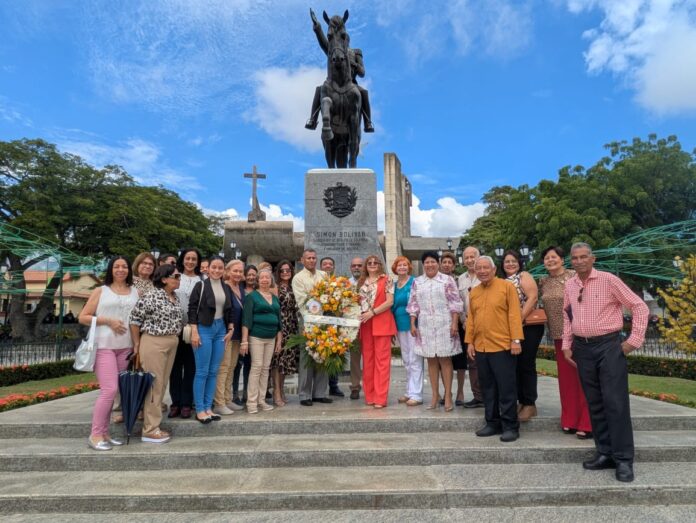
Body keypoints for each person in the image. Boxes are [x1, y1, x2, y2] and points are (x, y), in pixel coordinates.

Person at [562, 242, 649, 483]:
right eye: (574, 258)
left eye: (583, 257)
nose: (578, 261)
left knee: (615, 403)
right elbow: (566, 316)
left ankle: (623, 459)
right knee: (596, 403)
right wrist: (567, 344)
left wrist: (634, 340)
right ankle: (605, 452)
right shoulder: (570, 285)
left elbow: (639, 306)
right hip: (583, 348)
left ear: (593, 258)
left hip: (609, 346)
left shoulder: (609, 280)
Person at [79, 256, 139, 451]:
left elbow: (135, 321)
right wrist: (108, 321)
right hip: (104, 345)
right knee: (109, 390)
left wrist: (136, 345)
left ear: (129, 270)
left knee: (116, 391)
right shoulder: (101, 291)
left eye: (124, 267)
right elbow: (83, 317)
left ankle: (105, 433)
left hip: (125, 346)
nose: (121, 270)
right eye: (116, 266)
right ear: (111, 270)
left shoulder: (135, 292)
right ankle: (95, 434)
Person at [466, 256, 524, 443]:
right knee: (488, 388)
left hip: (503, 346)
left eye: (486, 268)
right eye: (478, 268)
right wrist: (470, 342)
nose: (482, 271)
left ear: (493, 270)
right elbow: (471, 319)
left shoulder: (507, 287)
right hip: (481, 347)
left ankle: (510, 426)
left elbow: (515, 314)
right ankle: (492, 422)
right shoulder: (474, 292)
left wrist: (516, 340)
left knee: (506, 388)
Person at [539, 246, 592, 439]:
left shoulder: (574, 276)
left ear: (562, 259)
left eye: (554, 257)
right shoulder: (543, 281)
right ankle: (569, 419)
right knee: (566, 380)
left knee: (584, 378)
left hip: (578, 334)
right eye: (546, 258)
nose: (550, 260)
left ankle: (587, 422)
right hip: (558, 336)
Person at [129, 264, 184, 444]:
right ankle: (150, 429)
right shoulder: (152, 295)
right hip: (154, 341)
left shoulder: (174, 297)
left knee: (162, 384)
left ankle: (154, 424)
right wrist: (137, 344)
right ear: (164, 279)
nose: (178, 279)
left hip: (171, 341)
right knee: (154, 385)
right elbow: (135, 319)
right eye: (175, 276)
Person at [406, 251, 463, 412]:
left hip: (444, 324)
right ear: (423, 265)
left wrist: (454, 323)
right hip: (425, 326)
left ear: (437, 263)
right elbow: (413, 304)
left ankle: (448, 395)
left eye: (432, 262)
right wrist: (412, 323)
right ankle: (434, 395)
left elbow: (455, 303)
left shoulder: (447, 280)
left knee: (445, 360)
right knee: (431, 360)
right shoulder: (418, 282)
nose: (429, 265)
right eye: (427, 263)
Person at [306, 8, 374, 133]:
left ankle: (368, 121)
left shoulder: (355, 52)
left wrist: (352, 63)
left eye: (344, 38)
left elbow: (362, 73)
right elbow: (323, 42)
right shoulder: (333, 50)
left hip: (351, 84)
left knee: (363, 92)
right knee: (319, 89)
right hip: (334, 83)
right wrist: (318, 28)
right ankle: (312, 119)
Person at [188, 256, 235, 423]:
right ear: (208, 269)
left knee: (214, 371)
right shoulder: (200, 286)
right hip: (204, 329)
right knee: (202, 371)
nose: (216, 270)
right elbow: (192, 309)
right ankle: (200, 409)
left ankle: (209, 407)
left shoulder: (225, 287)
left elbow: (229, 310)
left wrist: (231, 327)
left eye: (220, 268)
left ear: (224, 270)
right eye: (213, 267)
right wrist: (194, 331)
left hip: (220, 330)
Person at [501, 250, 545, 422]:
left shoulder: (523, 276)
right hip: (510, 329)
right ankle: (521, 400)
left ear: (519, 263)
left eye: (513, 261)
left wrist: (518, 321)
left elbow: (532, 297)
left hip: (528, 326)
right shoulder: (502, 281)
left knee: (526, 364)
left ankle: (529, 403)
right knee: (515, 365)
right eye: (507, 262)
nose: (510, 264)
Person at [292, 249, 332, 406]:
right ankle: (304, 394)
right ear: (302, 260)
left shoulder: (324, 275)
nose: (311, 260)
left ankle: (320, 393)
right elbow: (302, 300)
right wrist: (318, 302)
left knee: (324, 353)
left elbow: (330, 294)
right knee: (307, 357)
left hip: (325, 320)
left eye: (314, 258)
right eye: (308, 258)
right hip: (308, 321)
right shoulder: (298, 278)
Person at [241, 267, 282, 414]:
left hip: (271, 338)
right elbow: (246, 320)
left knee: (266, 369)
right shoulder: (252, 297)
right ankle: (252, 402)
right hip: (256, 336)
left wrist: (279, 340)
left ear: (271, 280)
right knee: (257, 367)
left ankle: (261, 400)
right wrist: (244, 341)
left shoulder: (275, 298)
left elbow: (279, 321)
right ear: (258, 280)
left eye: (267, 277)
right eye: (262, 277)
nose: (265, 280)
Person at [357, 255, 396, 408]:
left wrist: (372, 312)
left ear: (380, 265)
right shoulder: (361, 282)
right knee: (368, 362)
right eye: (369, 263)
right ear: (365, 266)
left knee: (382, 362)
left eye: (376, 262)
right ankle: (370, 395)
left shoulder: (387, 280)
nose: (372, 265)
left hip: (382, 323)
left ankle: (380, 398)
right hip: (365, 325)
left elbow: (389, 302)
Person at [168, 248, 202, 419]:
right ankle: (175, 402)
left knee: (190, 367)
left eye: (194, 259)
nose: (190, 261)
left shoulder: (202, 280)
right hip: (174, 328)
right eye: (187, 258)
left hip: (193, 328)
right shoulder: (175, 276)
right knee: (174, 367)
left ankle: (187, 403)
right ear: (183, 260)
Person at [214, 259, 246, 413]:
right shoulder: (224, 286)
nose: (238, 274)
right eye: (235, 271)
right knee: (223, 367)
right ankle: (219, 402)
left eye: (240, 271)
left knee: (232, 367)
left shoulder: (240, 287)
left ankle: (228, 399)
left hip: (238, 333)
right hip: (226, 332)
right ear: (227, 271)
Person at [391, 256, 422, 406]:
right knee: (406, 360)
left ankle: (417, 394)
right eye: (399, 265)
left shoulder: (414, 282)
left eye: (404, 265)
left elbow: (417, 303)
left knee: (415, 359)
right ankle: (409, 391)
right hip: (399, 325)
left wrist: (414, 323)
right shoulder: (395, 285)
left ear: (409, 267)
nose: (402, 267)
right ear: (395, 269)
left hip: (413, 325)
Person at [457, 246, 484, 409]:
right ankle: (478, 396)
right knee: (472, 360)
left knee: (488, 360)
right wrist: (463, 320)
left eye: (472, 256)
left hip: (486, 324)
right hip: (468, 324)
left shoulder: (484, 274)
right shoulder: (461, 278)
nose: (469, 260)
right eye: (466, 257)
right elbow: (459, 303)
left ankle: (490, 394)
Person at [271, 260, 299, 407]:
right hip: (280, 325)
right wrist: (278, 331)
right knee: (278, 361)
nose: (285, 273)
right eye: (282, 271)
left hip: (292, 325)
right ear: (278, 272)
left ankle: (281, 390)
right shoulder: (274, 287)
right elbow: (274, 308)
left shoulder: (293, 286)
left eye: (288, 270)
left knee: (286, 362)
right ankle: (276, 391)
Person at [439, 252, 466, 406]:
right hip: (442, 324)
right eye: (444, 262)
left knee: (460, 361)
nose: (447, 264)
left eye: (450, 262)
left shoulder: (459, 280)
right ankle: (446, 391)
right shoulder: (437, 280)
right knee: (444, 359)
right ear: (441, 264)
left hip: (459, 323)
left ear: (454, 265)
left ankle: (460, 391)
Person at [232, 264, 257, 405]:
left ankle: (247, 394)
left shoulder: (258, 292)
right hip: (239, 332)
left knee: (250, 365)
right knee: (237, 365)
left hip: (254, 333)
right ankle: (235, 394)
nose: (251, 277)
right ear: (244, 276)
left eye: (254, 274)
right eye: (249, 274)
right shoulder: (239, 291)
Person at [347, 256, 364, 399]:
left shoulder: (370, 283)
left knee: (371, 358)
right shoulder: (346, 284)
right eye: (354, 266)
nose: (357, 268)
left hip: (369, 325)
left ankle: (372, 385)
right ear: (350, 268)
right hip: (353, 328)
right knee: (354, 359)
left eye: (359, 265)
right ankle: (355, 386)